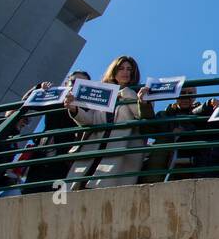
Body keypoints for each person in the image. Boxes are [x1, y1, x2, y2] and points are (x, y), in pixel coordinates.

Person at [65, 56, 154, 189]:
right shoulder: (103, 92)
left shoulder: (140, 93)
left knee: (106, 190)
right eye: (121, 68)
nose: (125, 72)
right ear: (114, 71)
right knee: (79, 188)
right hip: (95, 148)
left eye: (129, 69)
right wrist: (74, 109)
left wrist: (128, 94)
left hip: (120, 151)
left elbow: (143, 116)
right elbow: (91, 120)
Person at [19, 71, 92, 193]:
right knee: (29, 193)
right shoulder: (55, 97)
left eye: (81, 84)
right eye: (73, 82)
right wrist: (39, 88)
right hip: (40, 157)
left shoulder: (86, 105)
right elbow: (26, 102)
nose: (76, 86)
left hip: (64, 159)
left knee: (55, 199)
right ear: (66, 83)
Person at [138, 83, 203, 182]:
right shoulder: (164, 115)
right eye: (182, 93)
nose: (186, 96)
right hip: (162, 166)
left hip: (190, 167)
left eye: (190, 93)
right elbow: (148, 130)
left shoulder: (202, 114)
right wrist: (144, 104)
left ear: (195, 96)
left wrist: (185, 131)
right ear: (175, 95)